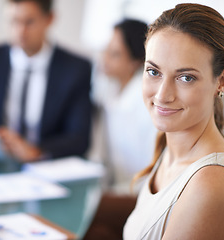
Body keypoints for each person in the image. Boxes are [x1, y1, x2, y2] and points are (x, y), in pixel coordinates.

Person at [123, 3, 224, 240]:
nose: (163, 95)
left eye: (186, 77)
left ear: (222, 81)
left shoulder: (211, 184)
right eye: (154, 71)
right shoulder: (172, 145)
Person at [0, 0, 92, 165]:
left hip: (44, 168)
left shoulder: (76, 68)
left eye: (29, 22)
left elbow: (79, 138)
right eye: (14, 21)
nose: (21, 31)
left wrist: (36, 150)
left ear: (49, 19)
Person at [85, 19, 156, 240]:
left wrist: (111, 193)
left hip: (143, 195)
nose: (104, 59)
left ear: (135, 61)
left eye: (114, 54)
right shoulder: (110, 94)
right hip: (119, 189)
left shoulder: (146, 104)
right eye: (105, 51)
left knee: (88, 209)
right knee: (98, 233)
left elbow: (153, 172)